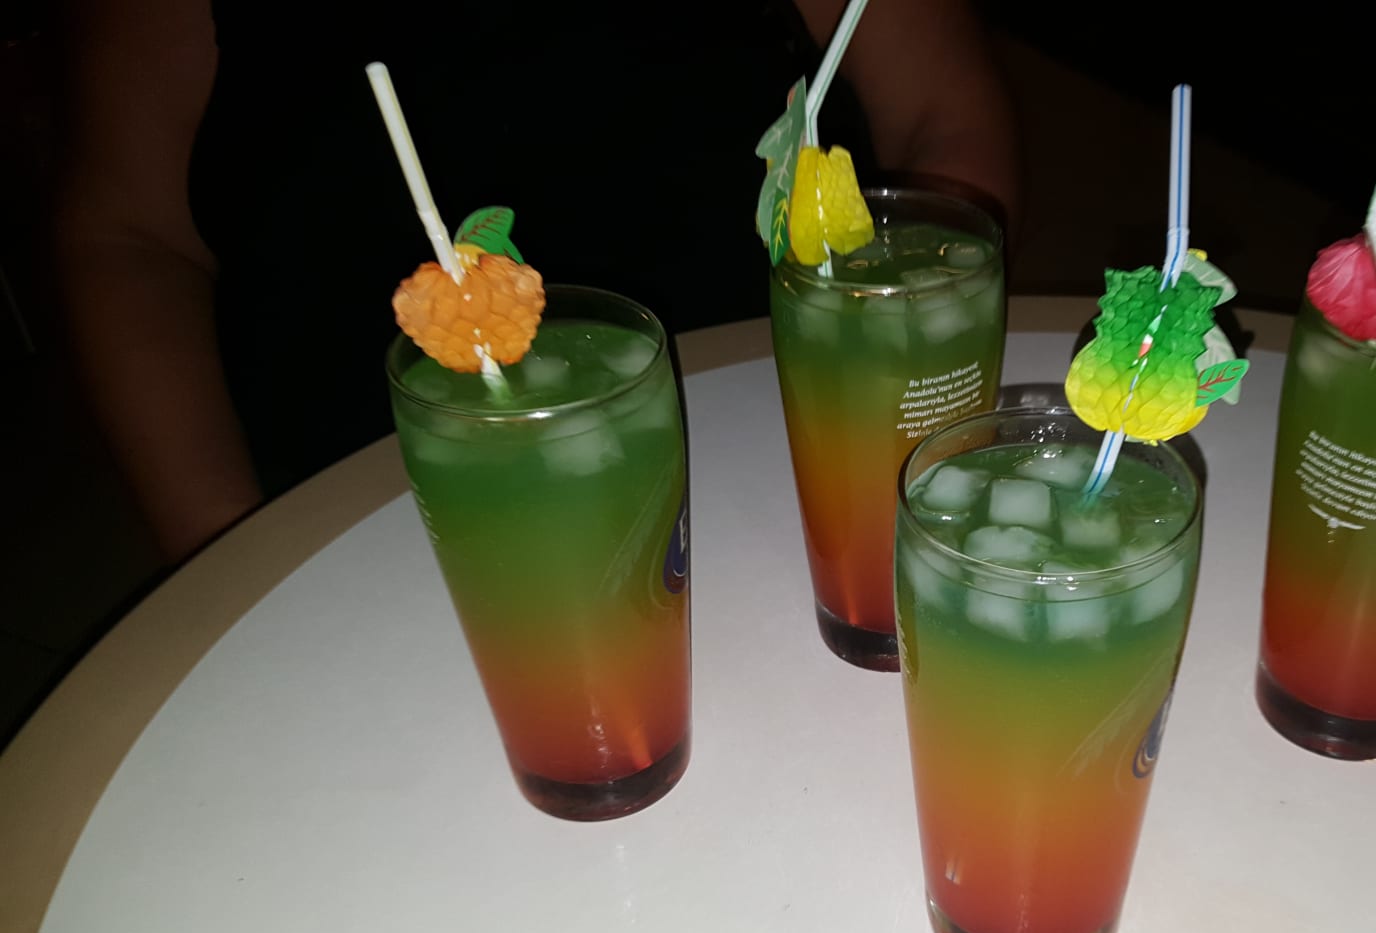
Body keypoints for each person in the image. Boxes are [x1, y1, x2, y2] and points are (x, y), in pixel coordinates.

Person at [54, 0, 1020, 564]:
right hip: (359, 497)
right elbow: (129, 235)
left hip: (789, 468)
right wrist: (225, 548)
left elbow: (941, 114)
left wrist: (903, 423)